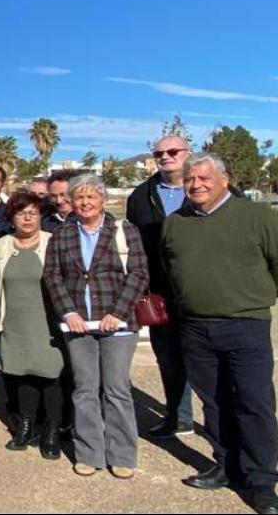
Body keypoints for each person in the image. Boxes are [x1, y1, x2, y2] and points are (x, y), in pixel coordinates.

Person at [164, 153, 278, 514]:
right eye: (189, 179)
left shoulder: (257, 216)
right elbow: (170, 271)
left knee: (254, 402)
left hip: (245, 325)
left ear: (224, 180)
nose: (195, 184)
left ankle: (261, 481)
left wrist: (254, 299)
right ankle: (226, 465)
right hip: (195, 327)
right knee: (213, 403)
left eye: (203, 177)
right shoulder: (175, 223)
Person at [43, 174, 147, 479]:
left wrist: (118, 311)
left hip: (118, 323)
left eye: (91, 197)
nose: (85, 203)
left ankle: (122, 454)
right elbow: (53, 275)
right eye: (79, 197)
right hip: (78, 324)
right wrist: (68, 312)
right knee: (85, 389)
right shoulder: (62, 233)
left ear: (103, 199)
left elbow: (139, 273)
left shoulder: (124, 230)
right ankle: (89, 452)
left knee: (117, 389)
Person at [126, 135, 195, 438]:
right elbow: (133, 243)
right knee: (167, 358)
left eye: (172, 151)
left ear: (188, 153)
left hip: (203, 290)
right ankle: (179, 417)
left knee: (209, 359)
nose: (165, 157)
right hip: (158, 291)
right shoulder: (141, 196)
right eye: (158, 153)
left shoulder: (211, 187)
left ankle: (224, 424)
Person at [0, 191, 65, 460]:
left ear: (40, 216)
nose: (27, 218)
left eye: (33, 213)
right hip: (13, 321)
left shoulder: (52, 242)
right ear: (12, 217)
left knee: (49, 376)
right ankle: (25, 427)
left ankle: (52, 432)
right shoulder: (2, 245)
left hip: (46, 322)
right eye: (21, 213)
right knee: (20, 374)